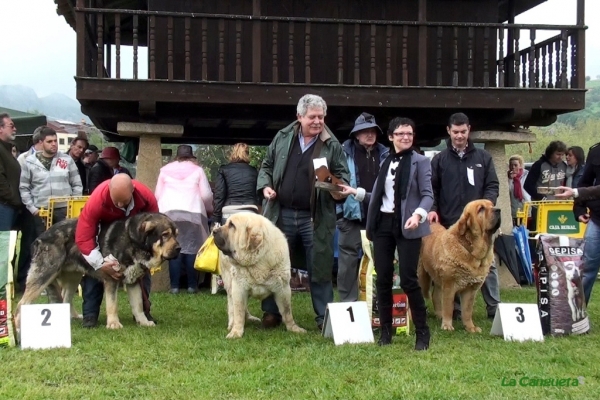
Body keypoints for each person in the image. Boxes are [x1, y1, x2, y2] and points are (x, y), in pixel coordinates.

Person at [257, 94, 349, 330]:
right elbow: (266, 165)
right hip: (282, 212)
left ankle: (323, 318)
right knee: (274, 263)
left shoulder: (332, 144)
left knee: (320, 265)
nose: (318, 121)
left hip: (314, 217)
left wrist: (331, 183)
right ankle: (271, 312)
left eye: (321, 116)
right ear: (299, 117)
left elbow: (343, 179)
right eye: (312, 117)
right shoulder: (283, 136)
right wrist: (266, 186)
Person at [350, 117, 433, 349]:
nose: (405, 137)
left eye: (409, 133)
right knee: (383, 278)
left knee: (408, 279)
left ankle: (422, 333)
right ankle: (385, 332)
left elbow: (428, 195)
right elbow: (376, 196)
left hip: (408, 225)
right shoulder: (385, 161)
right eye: (400, 134)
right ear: (390, 137)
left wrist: (418, 215)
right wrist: (353, 192)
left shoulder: (421, 162)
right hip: (383, 225)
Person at [428, 112, 500, 320]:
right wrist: (433, 209)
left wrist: (488, 205)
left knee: (488, 262)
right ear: (448, 131)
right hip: (451, 222)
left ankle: (494, 306)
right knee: (452, 266)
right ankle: (456, 309)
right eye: (456, 132)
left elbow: (492, 185)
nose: (460, 136)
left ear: (469, 129)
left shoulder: (483, 157)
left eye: (463, 131)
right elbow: (432, 189)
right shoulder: (439, 160)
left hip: (480, 224)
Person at [76, 174, 158, 328]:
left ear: (133, 191)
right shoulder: (97, 200)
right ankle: (90, 315)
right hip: (103, 234)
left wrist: (147, 256)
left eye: (124, 201)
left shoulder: (146, 197)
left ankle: (143, 313)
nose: (120, 204)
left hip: (135, 237)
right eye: (116, 201)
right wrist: (99, 263)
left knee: (141, 273)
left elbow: (155, 226)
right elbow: (84, 236)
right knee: (95, 274)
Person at [336, 112, 389, 302]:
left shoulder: (386, 154)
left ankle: (378, 305)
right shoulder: (342, 153)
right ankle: (348, 305)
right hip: (351, 218)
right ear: (356, 135)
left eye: (373, 131)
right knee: (347, 266)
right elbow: (332, 182)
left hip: (380, 218)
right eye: (364, 131)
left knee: (383, 264)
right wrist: (340, 212)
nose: (369, 135)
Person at [155, 145, 213, 294]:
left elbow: (157, 194)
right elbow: (206, 195)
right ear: (191, 157)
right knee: (192, 247)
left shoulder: (164, 170)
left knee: (173, 246)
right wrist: (209, 208)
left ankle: (174, 287)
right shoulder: (198, 170)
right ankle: (192, 286)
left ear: (177, 157)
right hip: (191, 212)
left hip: (169, 213)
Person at [19, 126, 83, 236]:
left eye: (55, 141)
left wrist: (73, 207)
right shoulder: (29, 162)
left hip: (64, 209)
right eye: (49, 141)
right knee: (44, 243)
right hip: (41, 210)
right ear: (41, 143)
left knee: (65, 242)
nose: (54, 144)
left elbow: (77, 184)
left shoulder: (67, 160)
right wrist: (33, 209)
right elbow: (24, 188)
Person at [572, 142, 600, 305]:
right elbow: (584, 183)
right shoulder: (596, 151)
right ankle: (578, 313)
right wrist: (579, 209)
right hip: (596, 220)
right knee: (586, 268)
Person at [213, 143, 259, 225]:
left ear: (233, 153)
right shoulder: (254, 171)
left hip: (229, 213)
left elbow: (219, 194)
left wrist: (216, 218)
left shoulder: (223, 170)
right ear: (247, 154)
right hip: (250, 213)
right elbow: (258, 194)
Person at [0, 113, 21, 231]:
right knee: (3, 246)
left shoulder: (6, 150)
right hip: (4, 206)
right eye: (11, 126)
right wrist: (13, 198)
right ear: (0, 128)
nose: (15, 129)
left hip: (10, 206)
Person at [507, 154, 530, 225]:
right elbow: (508, 191)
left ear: (520, 165)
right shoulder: (507, 177)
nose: (513, 167)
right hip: (514, 206)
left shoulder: (526, 175)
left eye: (515, 165)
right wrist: (510, 179)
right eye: (511, 165)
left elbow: (526, 190)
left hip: (526, 204)